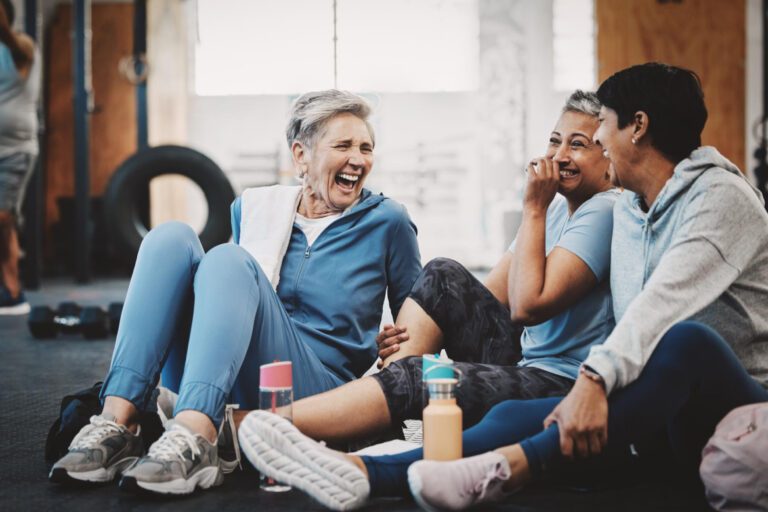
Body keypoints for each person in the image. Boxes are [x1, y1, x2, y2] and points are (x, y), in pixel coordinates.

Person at [241, 63, 768, 511]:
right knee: (492, 389)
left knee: (684, 340)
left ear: (637, 127)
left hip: (727, 402)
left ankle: (314, 431)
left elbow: (655, 309)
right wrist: (420, 334)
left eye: (598, 129)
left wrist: (592, 381)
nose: (595, 143)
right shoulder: (633, 204)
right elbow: (492, 298)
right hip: (650, 402)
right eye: (559, 139)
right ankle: (363, 462)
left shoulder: (718, 200)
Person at [49, 89, 422, 495]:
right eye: (344, 145)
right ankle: (118, 423)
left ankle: (195, 435)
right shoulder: (253, 209)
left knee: (228, 259)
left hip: (319, 391)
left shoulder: (388, 221)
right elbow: (243, 305)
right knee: (170, 237)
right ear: (301, 155)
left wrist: (396, 347)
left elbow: (420, 325)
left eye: (366, 147)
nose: (358, 159)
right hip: (233, 372)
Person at [233, 90, 618, 450]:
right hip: (522, 357)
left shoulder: (602, 208)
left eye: (579, 145)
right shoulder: (553, 210)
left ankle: (253, 426)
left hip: (562, 378)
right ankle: (384, 403)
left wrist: (532, 207)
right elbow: (484, 299)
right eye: (555, 141)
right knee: (443, 275)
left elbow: (527, 307)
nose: (560, 155)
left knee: (419, 379)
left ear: (609, 159)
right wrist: (408, 333)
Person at [0, 0, 39, 314]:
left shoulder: (21, 46)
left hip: (16, 150)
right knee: (6, 222)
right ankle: (12, 292)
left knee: (2, 218)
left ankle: (13, 290)